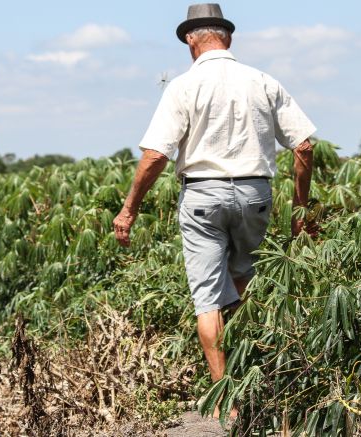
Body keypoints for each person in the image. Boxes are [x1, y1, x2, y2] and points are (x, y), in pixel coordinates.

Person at [112, 3, 317, 417]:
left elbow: (155, 156)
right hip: (256, 194)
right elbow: (305, 146)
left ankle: (229, 400)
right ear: (228, 37)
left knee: (207, 300)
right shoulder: (262, 81)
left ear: (191, 41)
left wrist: (129, 208)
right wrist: (301, 208)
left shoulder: (184, 87)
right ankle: (254, 380)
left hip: (203, 196)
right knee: (242, 286)